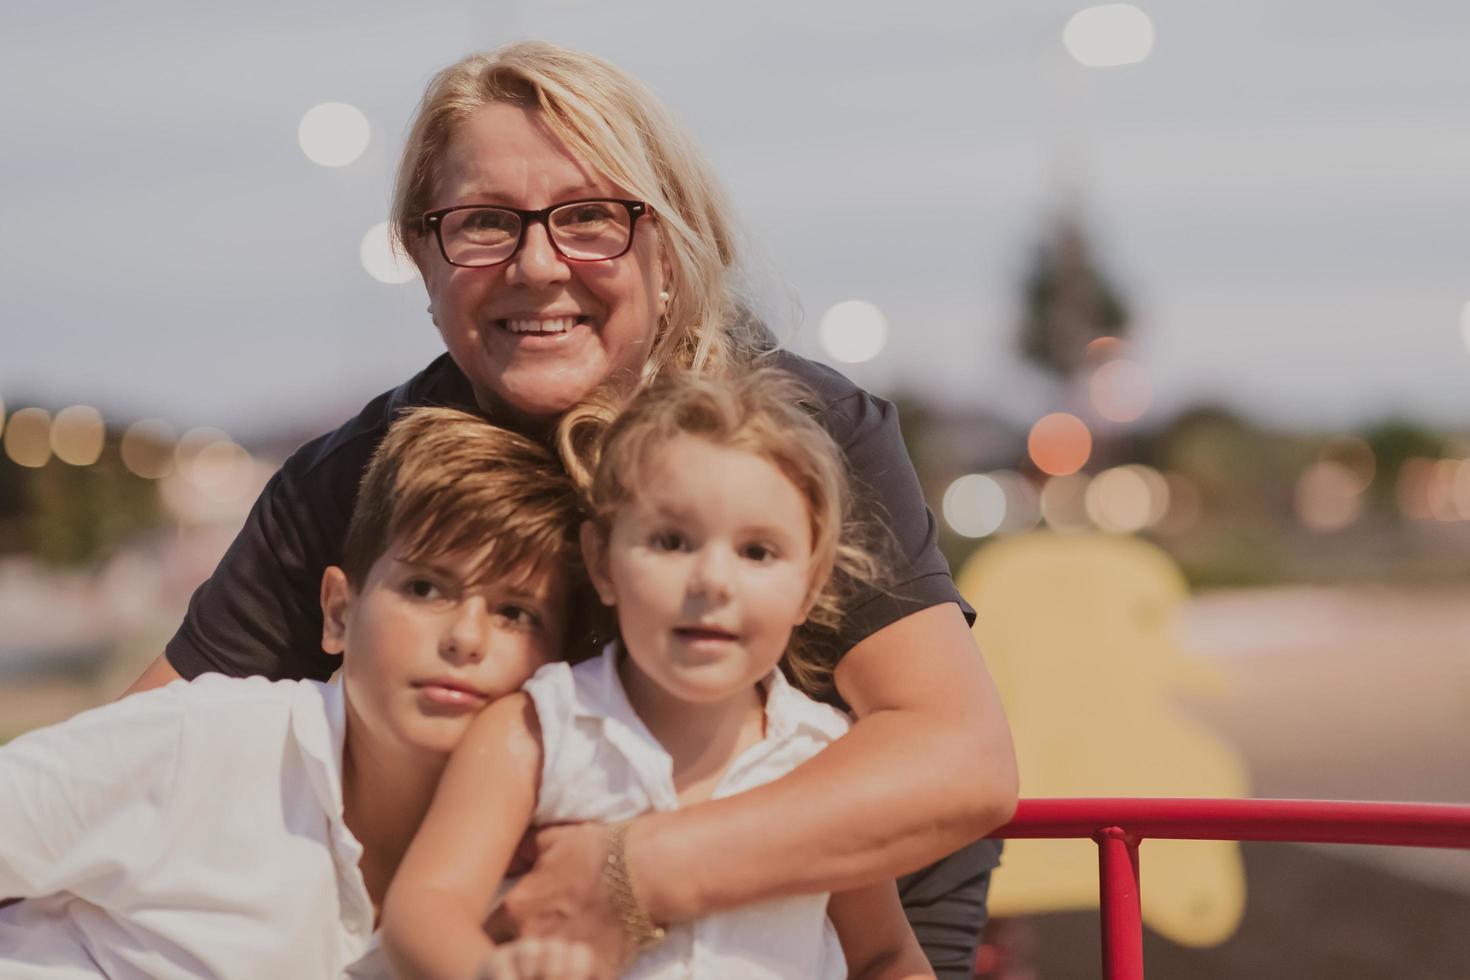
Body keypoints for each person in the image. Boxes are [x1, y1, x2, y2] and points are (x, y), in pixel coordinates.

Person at [124, 40, 1018, 977]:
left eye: (591, 218)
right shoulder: (356, 481)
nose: (539, 265)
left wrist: (638, 869)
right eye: (482, 224)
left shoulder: (788, 437)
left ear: (667, 245)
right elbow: (138, 757)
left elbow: (959, 760)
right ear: (421, 255)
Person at [385, 369, 935, 980]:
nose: (712, 582)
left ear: (810, 586)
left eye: (757, 552)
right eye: (672, 542)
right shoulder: (536, 730)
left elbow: (884, 954)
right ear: (602, 562)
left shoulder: (825, 757)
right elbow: (425, 906)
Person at [0, 408, 583, 979]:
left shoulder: (538, 879)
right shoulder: (206, 743)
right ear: (337, 613)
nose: (466, 637)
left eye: (515, 612)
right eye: (426, 588)